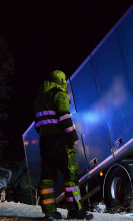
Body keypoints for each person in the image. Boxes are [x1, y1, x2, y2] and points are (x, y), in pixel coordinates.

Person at [34, 70, 93, 220]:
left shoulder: (40, 97)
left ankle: (50, 213)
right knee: (70, 175)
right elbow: (64, 117)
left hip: (45, 141)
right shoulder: (59, 93)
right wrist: (72, 137)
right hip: (60, 141)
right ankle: (75, 211)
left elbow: (37, 125)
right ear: (61, 81)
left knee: (47, 176)